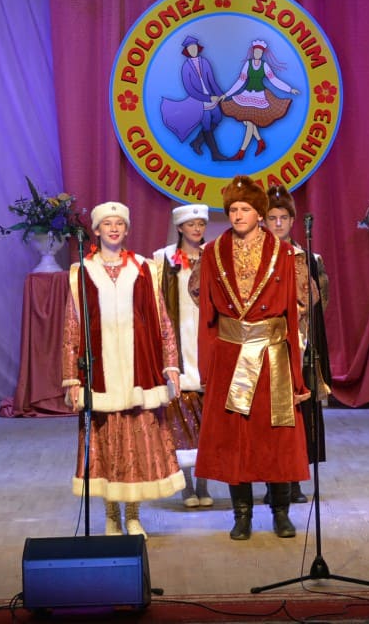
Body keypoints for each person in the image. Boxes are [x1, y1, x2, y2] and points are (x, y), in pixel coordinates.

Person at [195, 175, 311, 541]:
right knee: (236, 437)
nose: (237, 215)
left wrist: (297, 373)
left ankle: (281, 512)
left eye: (245, 209)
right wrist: (207, 366)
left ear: (259, 213)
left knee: (277, 434)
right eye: (232, 209)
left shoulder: (285, 253)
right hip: (230, 354)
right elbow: (205, 311)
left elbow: (294, 312)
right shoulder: (213, 252)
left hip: (272, 353)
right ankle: (241, 514)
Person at [62, 201, 184, 537]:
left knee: (136, 449)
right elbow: (72, 327)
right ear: (96, 230)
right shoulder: (82, 272)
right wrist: (72, 378)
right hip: (99, 374)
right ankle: (111, 516)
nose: (114, 229)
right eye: (107, 223)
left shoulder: (144, 269)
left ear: (127, 229)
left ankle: (132, 515)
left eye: (119, 223)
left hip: (138, 373)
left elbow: (162, 320)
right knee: (107, 449)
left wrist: (171, 363)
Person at [264, 184, 329, 504]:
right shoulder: (257, 256)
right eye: (272, 218)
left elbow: (320, 301)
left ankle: (295, 477)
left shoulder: (309, 258)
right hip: (264, 345)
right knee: (269, 415)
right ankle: (272, 481)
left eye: (284, 218)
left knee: (300, 413)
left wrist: (299, 320)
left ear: (292, 221)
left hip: (299, 344)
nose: (278, 224)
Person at [155, 202, 214, 509]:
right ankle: (187, 484)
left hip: (205, 338)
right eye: (191, 225)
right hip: (178, 340)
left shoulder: (212, 256)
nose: (197, 229)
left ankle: (204, 483)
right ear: (180, 228)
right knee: (181, 418)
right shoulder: (163, 259)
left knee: (207, 419)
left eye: (201, 224)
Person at [219, 40, 299, 161]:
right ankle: (260, 142)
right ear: (253, 52)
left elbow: (274, 80)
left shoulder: (264, 66)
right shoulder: (248, 64)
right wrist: (227, 94)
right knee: (248, 122)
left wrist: (290, 89)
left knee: (249, 123)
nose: (258, 54)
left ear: (262, 53)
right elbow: (240, 81)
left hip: (259, 96)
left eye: (260, 52)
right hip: (246, 95)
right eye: (256, 51)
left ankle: (241, 152)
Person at [160, 35, 230, 161]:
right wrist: (208, 98)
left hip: (212, 98)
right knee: (207, 124)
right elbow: (190, 90)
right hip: (199, 102)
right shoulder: (186, 67)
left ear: (198, 48)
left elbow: (212, 81)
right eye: (190, 48)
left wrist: (220, 94)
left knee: (218, 118)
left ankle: (197, 142)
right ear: (187, 51)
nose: (193, 50)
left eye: (194, 47)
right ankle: (215, 154)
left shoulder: (205, 62)